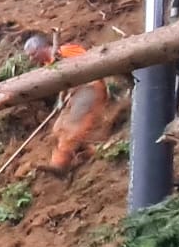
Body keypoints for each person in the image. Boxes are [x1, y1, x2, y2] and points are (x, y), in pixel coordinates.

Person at [22, 32, 114, 174]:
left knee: (72, 128)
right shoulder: (49, 64)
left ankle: (60, 165)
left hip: (90, 87)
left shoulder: (65, 51)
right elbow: (64, 83)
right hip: (74, 94)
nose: (31, 58)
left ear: (42, 48)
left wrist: (76, 78)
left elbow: (90, 63)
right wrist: (61, 98)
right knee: (58, 128)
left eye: (32, 54)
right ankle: (88, 150)